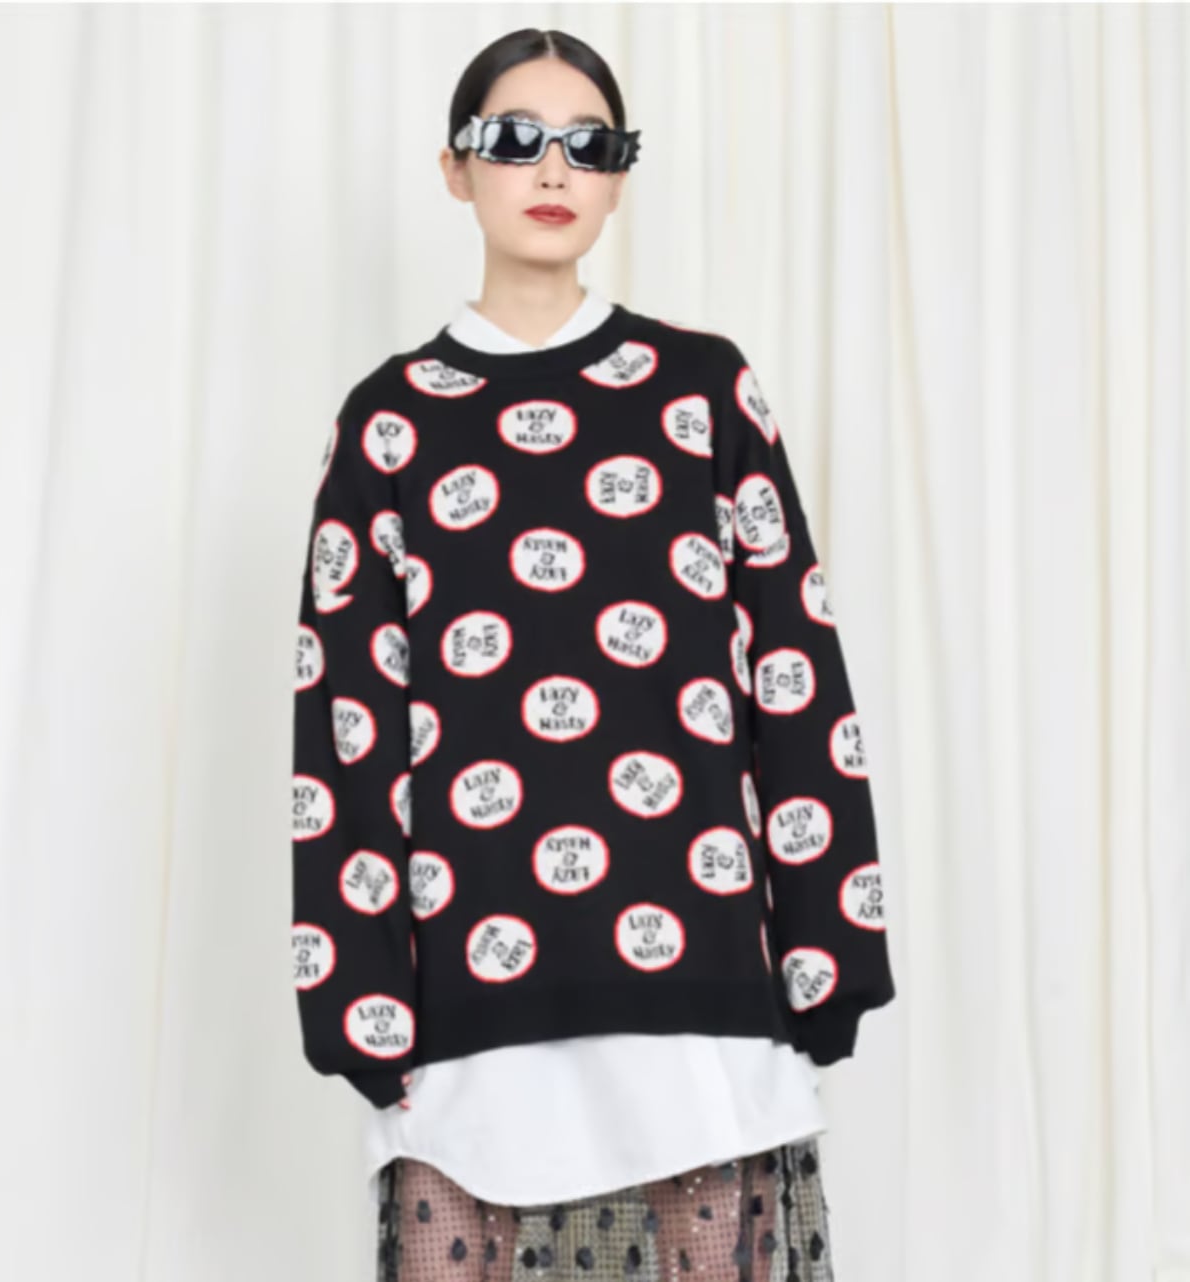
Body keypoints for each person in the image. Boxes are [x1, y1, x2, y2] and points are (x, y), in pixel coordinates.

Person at [290, 27, 896, 1282]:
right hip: (470, 977)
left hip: (699, 963)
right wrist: (357, 993)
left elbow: (793, 676)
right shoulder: (391, 421)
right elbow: (346, 721)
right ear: (456, 168)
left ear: (621, 175)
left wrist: (826, 946)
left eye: (591, 143)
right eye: (515, 138)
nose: (553, 167)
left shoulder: (704, 392)